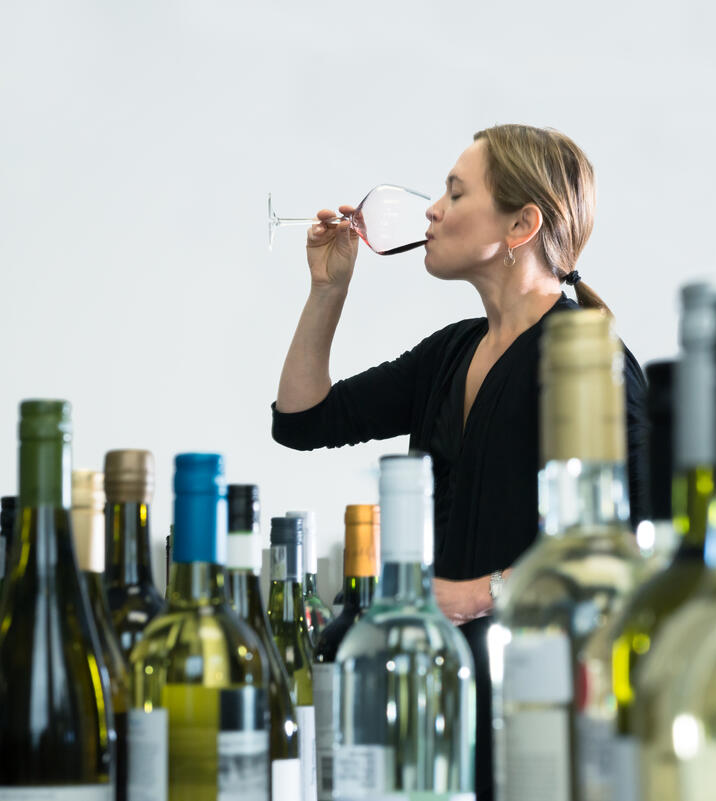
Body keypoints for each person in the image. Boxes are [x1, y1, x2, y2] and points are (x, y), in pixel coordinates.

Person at [271, 124, 649, 801]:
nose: (431, 210)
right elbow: (302, 421)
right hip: (442, 688)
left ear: (522, 224)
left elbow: (637, 536)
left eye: (454, 191)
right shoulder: (449, 352)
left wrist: (483, 591)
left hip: (534, 703)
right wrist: (327, 291)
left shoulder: (588, 357)